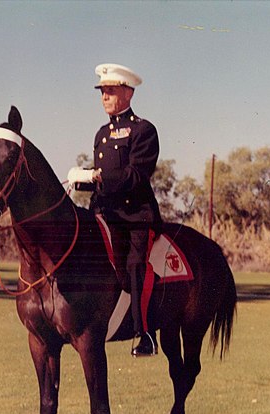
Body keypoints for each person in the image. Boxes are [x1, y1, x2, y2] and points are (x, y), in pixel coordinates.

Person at [71, 63, 162, 357]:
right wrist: (81, 180)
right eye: (102, 92)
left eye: (110, 91)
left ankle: (144, 332)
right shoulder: (101, 134)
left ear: (128, 93)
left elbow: (136, 176)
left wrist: (99, 177)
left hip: (133, 216)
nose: (104, 97)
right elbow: (101, 183)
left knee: (135, 266)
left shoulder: (143, 130)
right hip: (105, 215)